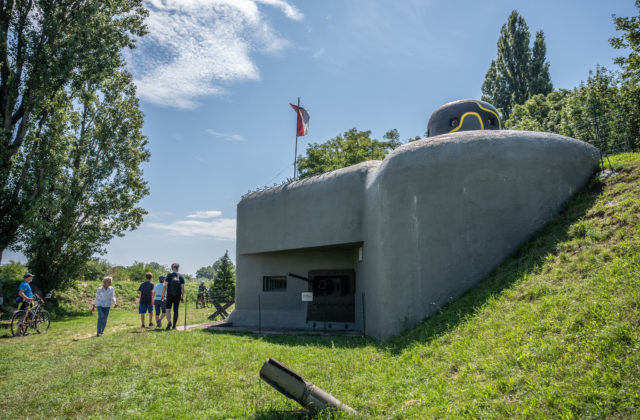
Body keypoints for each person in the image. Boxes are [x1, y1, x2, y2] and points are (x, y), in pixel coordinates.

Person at [162, 262, 184, 330]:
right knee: (176, 310)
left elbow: (165, 286)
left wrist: (162, 294)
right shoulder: (181, 276)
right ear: (178, 268)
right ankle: (174, 326)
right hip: (177, 295)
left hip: (169, 295)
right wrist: (182, 297)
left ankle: (169, 322)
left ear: (172, 268)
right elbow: (182, 288)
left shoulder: (169, 275)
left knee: (168, 310)